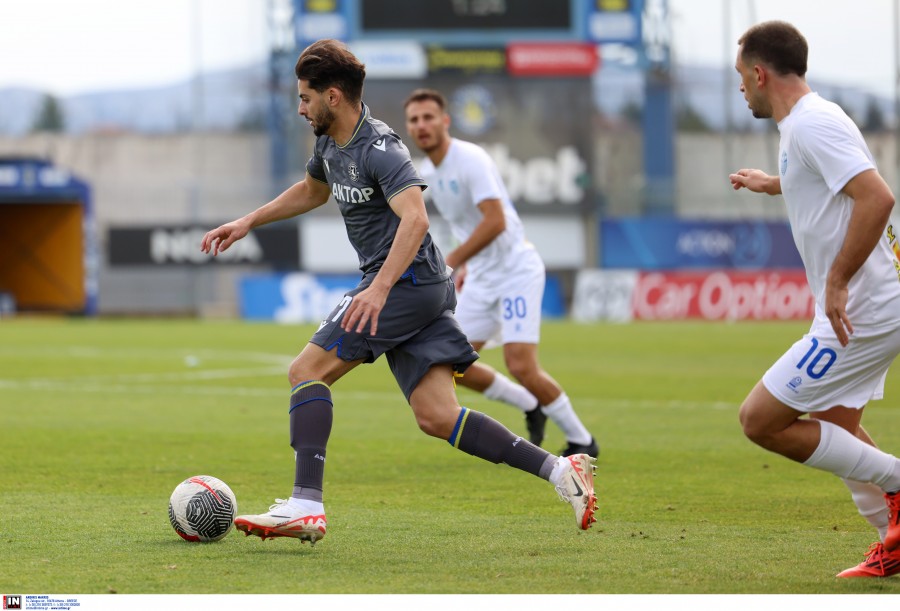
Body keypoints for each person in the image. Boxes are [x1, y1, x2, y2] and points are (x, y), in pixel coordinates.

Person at [199, 39, 597, 544]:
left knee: (306, 370)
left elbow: (416, 218)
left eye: (305, 98)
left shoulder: (381, 148)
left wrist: (379, 288)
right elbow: (313, 191)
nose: (301, 108)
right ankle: (561, 470)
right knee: (437, 416)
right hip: (419, 287)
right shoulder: (329, 143)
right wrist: (247, 221)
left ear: (333, 96)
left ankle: (305, 504)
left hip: (404, 283)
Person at [729, 20, 900, 577]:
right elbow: (825, 177)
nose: (740, 88)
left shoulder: (811, 124)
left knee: (760, 419)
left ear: (760, 74)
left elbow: (876, 197)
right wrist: (773, 183)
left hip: (865, 308)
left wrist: (838, 280)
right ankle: (893, 535)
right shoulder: (805, 123)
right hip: (871, 304)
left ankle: (898, 483)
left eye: (741, 76)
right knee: (834, 422)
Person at [403, 88, 599, 458]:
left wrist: (452, 261)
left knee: (521, 364)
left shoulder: (470, 159)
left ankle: (583, 440)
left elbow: (495, 222)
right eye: (414, 120)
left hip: (515, 271)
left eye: (428, 117)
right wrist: (467, 266)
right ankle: (530, 403)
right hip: (481, 277)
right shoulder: (428, 171)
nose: (421, 125)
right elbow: (464, 226)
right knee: (450, 364)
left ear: (445, 121)